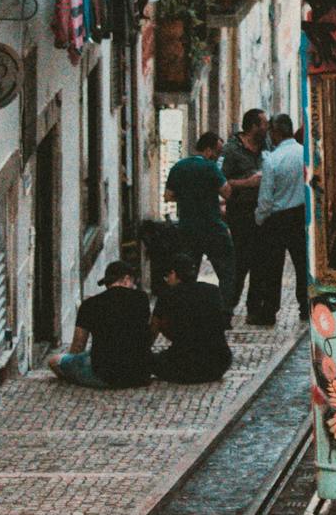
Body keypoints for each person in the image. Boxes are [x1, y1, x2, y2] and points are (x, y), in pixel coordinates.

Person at [49, 260, 153, 388]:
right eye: (133, 283)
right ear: (126, 279)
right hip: (140, 374)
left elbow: (78, 346)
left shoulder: (89, 305)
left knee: (54, 361)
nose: (133, 286)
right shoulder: (141, 299)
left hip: (105, 376)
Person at [248, 114, 309, 325]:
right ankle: (305, 307)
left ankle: (269, 311)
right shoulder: (305, 154)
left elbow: (265, 197)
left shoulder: (272, 160)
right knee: (303, 264)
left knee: (273, 267)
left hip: (277, 219)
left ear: (276, 133)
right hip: (300, 215)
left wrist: (259, 219)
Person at [164, 133, 236, 310]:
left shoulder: (179, 167)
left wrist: (188, 197)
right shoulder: (210, 168)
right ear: (209, 150)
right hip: (212, 228)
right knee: (226, 272)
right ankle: (224, 312)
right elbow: (227, 193)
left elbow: (168, 196)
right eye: (217, 153)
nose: (218, 157)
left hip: (187, 228)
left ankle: (185, 311)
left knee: (188, 274)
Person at [152, 253, 234, 383]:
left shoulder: (168, 295)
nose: (167, 280)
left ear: (173, 273)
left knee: (152, 360)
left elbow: (155, 328)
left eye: (166, 276)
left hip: (185, 365)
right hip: (218, 364)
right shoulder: (213, 291)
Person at [219, 110, 268, 317]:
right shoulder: (231, 150)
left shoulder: (267, 146)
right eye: (264, 124)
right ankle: (228, 305)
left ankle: (254, 308)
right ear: (253, 127)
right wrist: (246, 183)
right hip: (240, 211)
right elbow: (220, 181)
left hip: (263, 211)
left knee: (260, 261)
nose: (267, 127)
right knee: (239, 260)